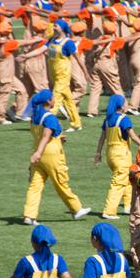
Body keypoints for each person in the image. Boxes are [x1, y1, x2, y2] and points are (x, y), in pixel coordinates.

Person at [22, 90, 91, 226]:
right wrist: (39, 152)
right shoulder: (49, 117)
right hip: (50, 155)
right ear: (48, 101)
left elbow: (41, 135)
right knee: (61, 183)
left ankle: (29, 215)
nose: (54, 99)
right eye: (52, 97)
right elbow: (46, 136)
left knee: (35, 186)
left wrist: (40, 151)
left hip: (37, 155)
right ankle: (76, 209)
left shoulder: (34, 117)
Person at [17, 20, 88, 132]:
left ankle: (45, 123)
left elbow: (78, 58)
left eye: (56, 26)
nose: (53, 27)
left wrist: (85, 72)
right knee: (68, 99)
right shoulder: (52, 40)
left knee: (55, 99)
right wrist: (26, 56)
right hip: (54, 74)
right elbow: (41, 50)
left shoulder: (68, 43)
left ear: (62, 28)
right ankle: (76, 124)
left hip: (63, 74)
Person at [95, 94, 140, 220]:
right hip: (121, 154)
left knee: (127, 178)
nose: (127, 104)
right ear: (120, 106)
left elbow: (102, 138)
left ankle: (128, 206)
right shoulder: (124, 119)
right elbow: (132, 136)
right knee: (118, 182)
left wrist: (98, 153)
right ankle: (109, 211)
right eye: (125, 102)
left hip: (110, 154)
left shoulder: (107, 120)